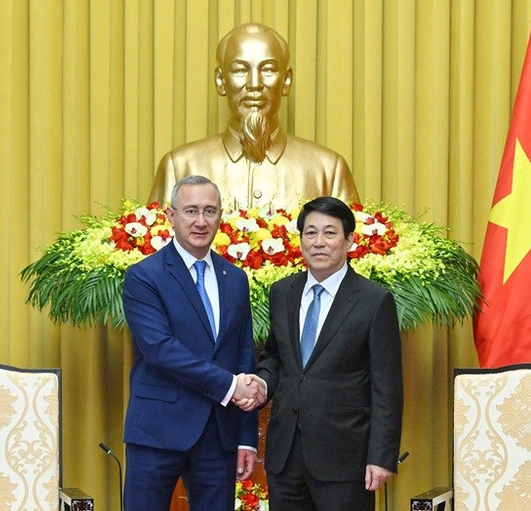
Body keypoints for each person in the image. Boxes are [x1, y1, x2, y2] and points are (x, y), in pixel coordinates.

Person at [121, 175, 266, 511]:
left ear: (220, 216)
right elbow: (160, 349)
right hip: (157, 431)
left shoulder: (236, 278)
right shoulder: (144, 276)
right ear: (171, 216)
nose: (201, 221)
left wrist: (247, 437)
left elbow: (244, 354)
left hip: (219, 434)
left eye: (209, 211)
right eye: (191, 211)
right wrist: (230, 385)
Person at [252, 196, 403, 510]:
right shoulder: (283, 293)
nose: (318, 242)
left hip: (345, 459)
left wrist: (381, 457)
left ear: (349, 240)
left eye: (330, 233)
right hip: (285, 455)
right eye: (310, 233)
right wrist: (262, 384)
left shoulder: (374, 301)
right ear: (301, 239)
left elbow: (386, 386)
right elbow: (275, 356)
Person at [149, 23, 359, 210]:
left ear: (286, 81)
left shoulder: (328, 170)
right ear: (221, 81)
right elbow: (157, 248)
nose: (254, 84)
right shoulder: (179, 166)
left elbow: (354, 248)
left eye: (268, 70)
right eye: (240, 70)